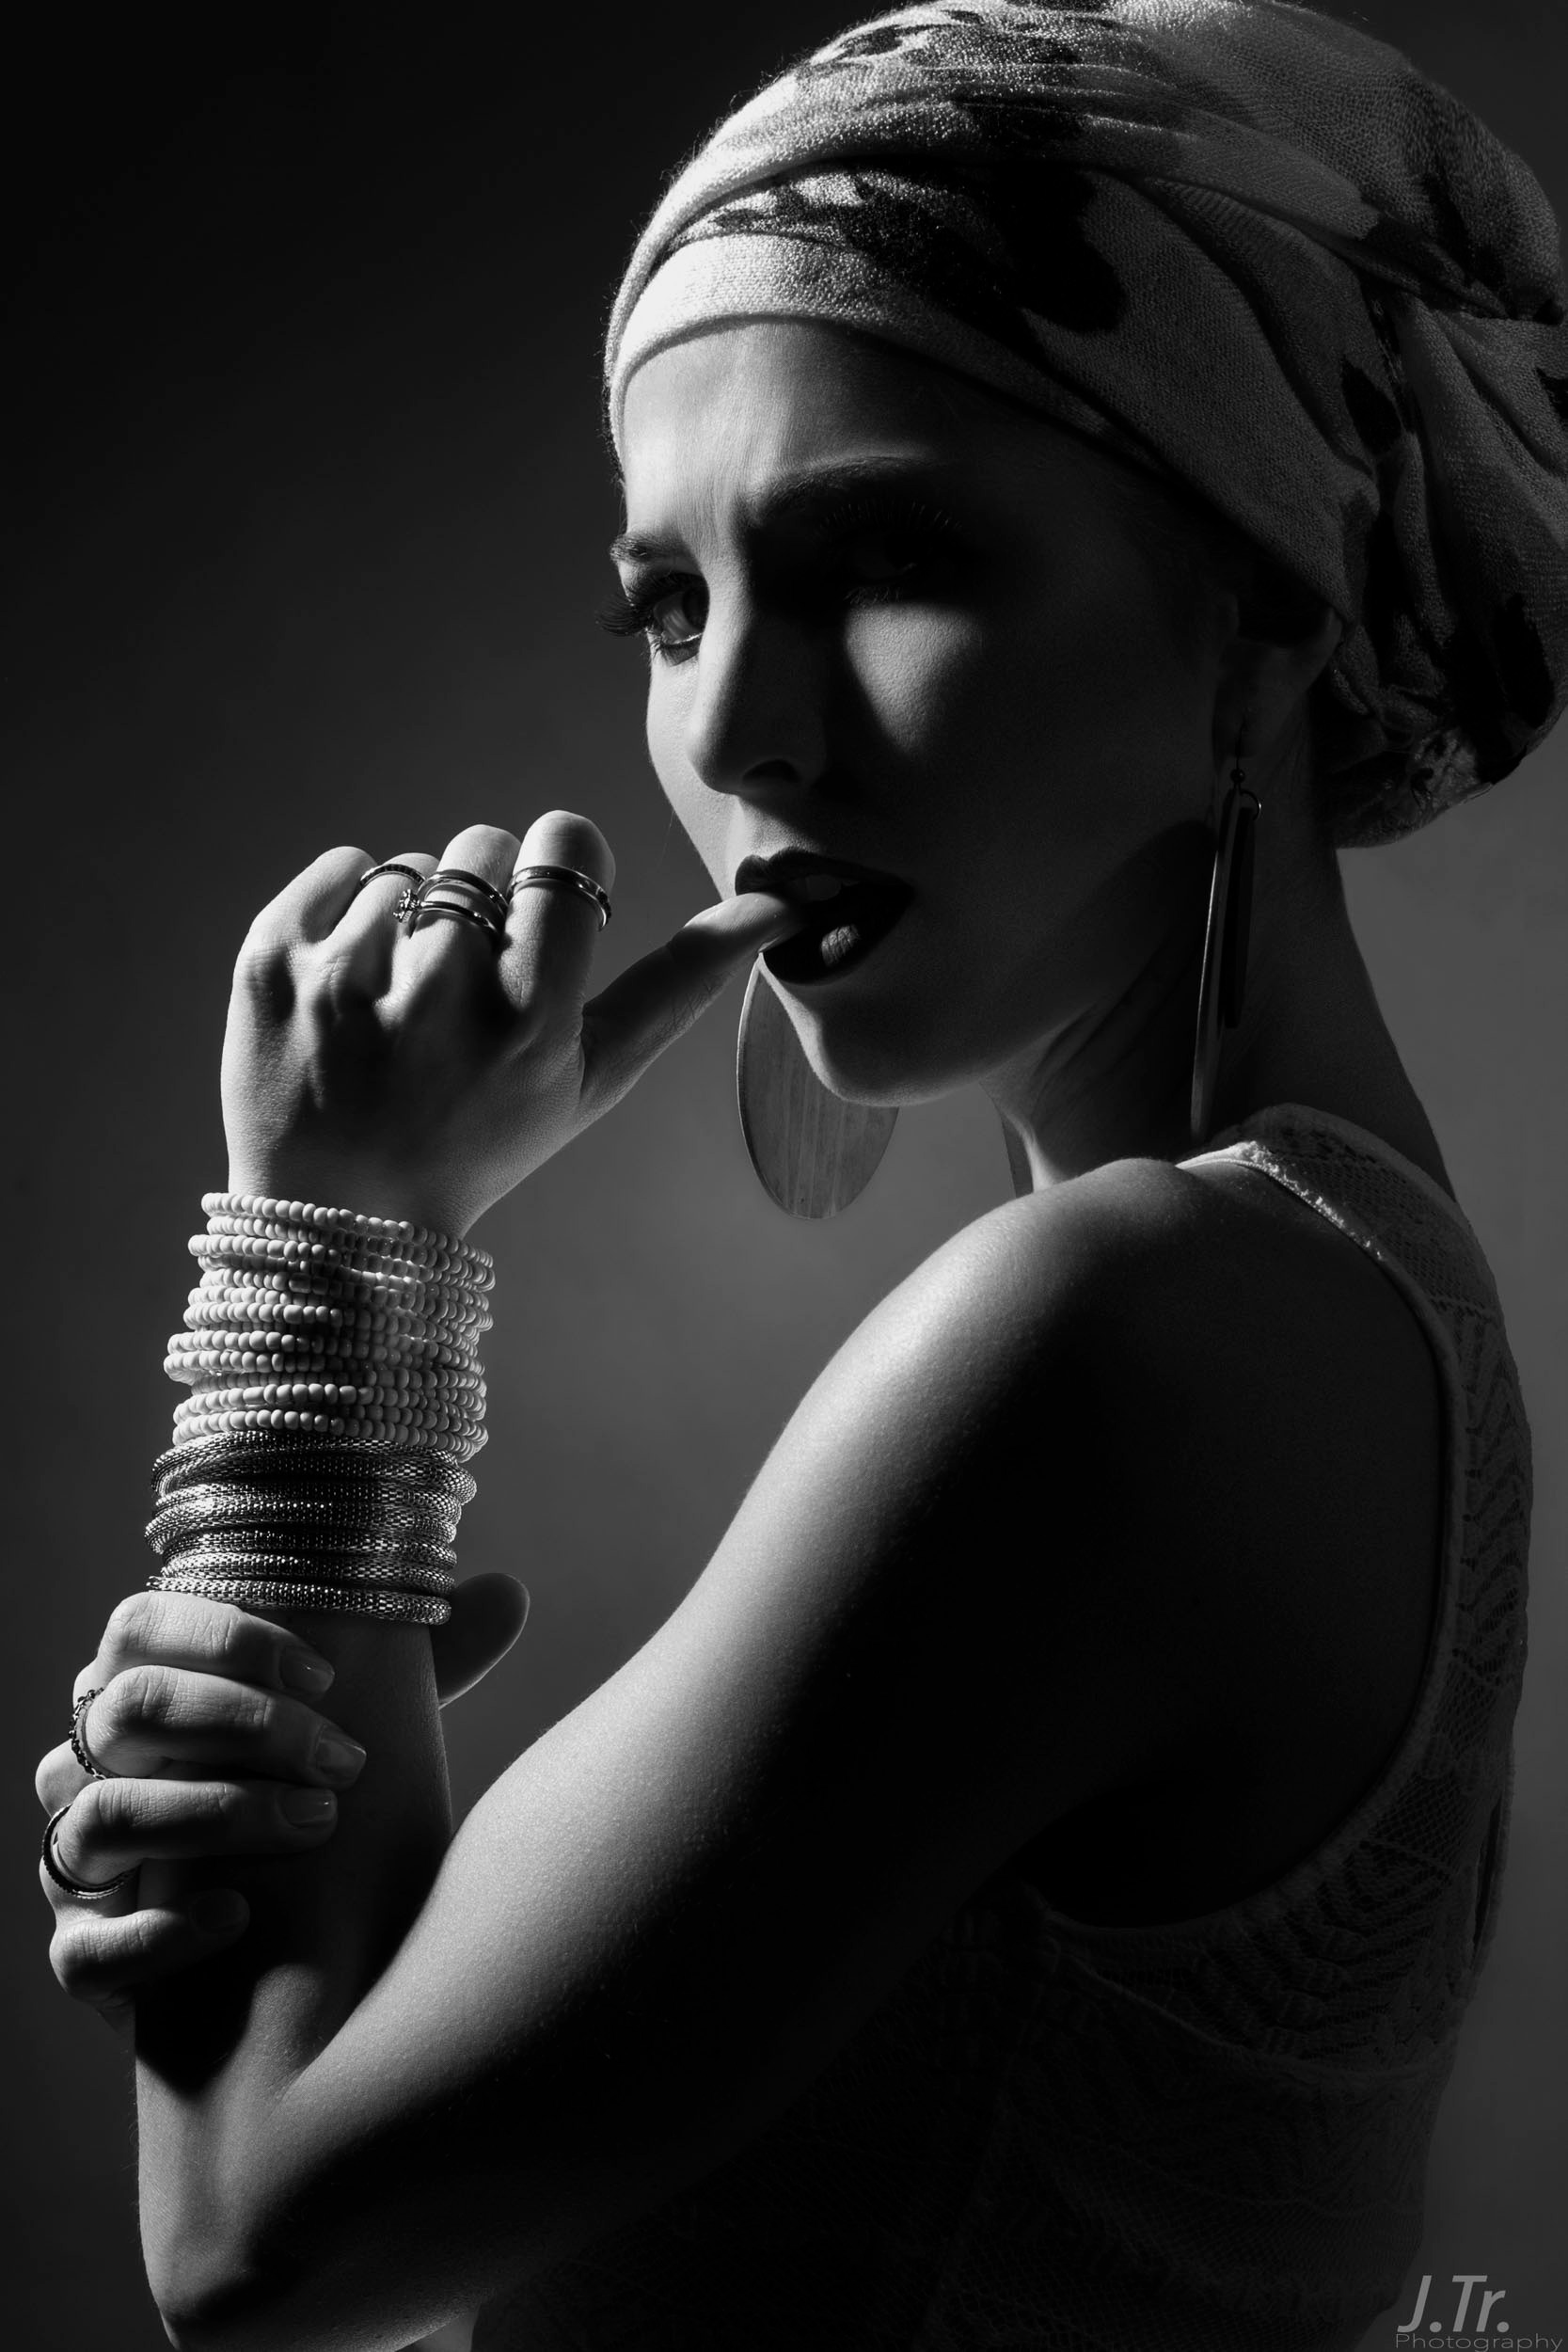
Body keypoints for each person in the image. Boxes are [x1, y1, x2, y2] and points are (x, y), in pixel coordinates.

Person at [34, 3, 1560, 2346]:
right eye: (670, 602)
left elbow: (254, 2243)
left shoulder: (1126, 1336)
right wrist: (310, 1766)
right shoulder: (1333, 1301)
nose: (734, 725)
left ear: (1269, 619)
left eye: (890, 555)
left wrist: (339, 1256)